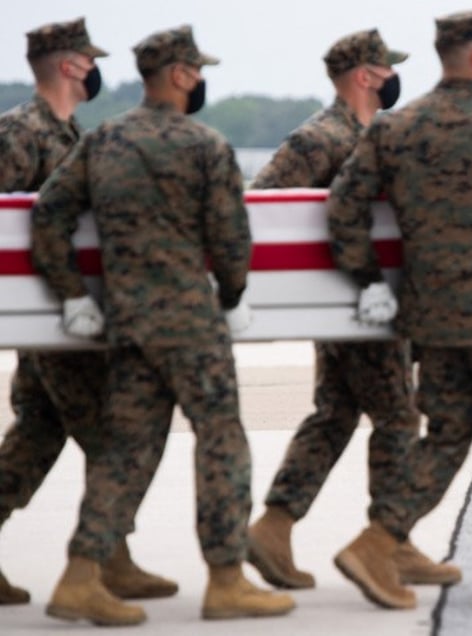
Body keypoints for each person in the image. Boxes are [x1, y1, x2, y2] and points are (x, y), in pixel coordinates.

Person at [30, 26, 295, 625]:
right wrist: (232, 295)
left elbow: (49, 213)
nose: (200, 82)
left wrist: (73, 294)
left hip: (125, 323)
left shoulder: (104, 140)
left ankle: (79, 575)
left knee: (126, 451)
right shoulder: (202, 145)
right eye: (196, 72)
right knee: (222, 440)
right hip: (189, 324)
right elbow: (230, 239)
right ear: (178, 75)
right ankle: (226, 578)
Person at [326, 7, 472, 609]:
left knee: (448, 432)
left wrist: (369, 277)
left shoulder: (395, 128)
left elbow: (344, 206)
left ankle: (378, 540)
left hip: (429, 312)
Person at [246, 29, 459, 591]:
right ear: (365, 75)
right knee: (396, 417)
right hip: (355, 308)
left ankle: (275, 525)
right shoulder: (319, 137)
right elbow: (265, 212)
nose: (394, 78)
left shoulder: (367, 132)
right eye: (387, 69)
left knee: (335, 415)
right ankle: (390, 544)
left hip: (363, 305)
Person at [0, 17, 175, 606]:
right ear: (72, 65)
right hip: (51, 321)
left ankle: (113, 560)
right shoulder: (21, 132)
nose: (97, 71)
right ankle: (103, 567)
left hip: (59, 321)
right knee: (115, 440)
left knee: (38, 438)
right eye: (90, 61)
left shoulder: (67, 132)